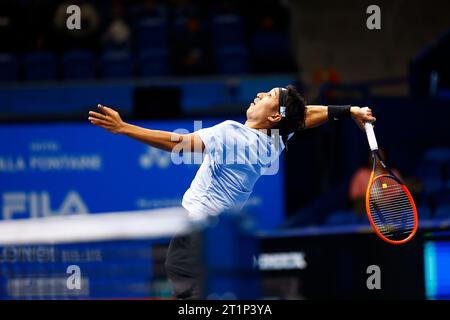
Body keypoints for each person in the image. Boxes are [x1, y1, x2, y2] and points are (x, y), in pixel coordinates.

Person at [87, 85, 376, 299]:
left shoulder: (230, 134)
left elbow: (178, 142)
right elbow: (303, 116)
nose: (261, 94)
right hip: (219, 239)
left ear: (275, 115)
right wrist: (348, 110)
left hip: (193, 240)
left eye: (269, 96)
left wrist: (124, 128)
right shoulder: (275, 140)